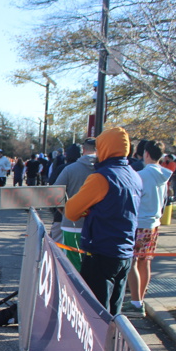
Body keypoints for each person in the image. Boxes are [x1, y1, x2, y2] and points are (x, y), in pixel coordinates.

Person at [64, 127, 142, 316]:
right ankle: (113, 336)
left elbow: (71, 211)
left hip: (101, 251)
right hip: (125, 253)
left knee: (95, 313)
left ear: (105, 148)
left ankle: (100, 337)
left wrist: (87, 210)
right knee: (114, 313)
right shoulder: (134, 175)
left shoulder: (101, 178)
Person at [126, 141, 173, 314]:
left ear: (146, 154)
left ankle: (136, 301)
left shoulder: (141, 175)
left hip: (139, 223)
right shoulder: (163, 176)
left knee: (132, 262)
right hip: (153, 224)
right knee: (145, 262)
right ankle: (140, 297)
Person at [54, 139, 96, 271]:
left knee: (72, 263)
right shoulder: (103, 169)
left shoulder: (70, 169)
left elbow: (55, 194)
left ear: (83, 149)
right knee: (93, 264)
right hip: (97, 225)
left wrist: (65, 211)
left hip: (72, 224)